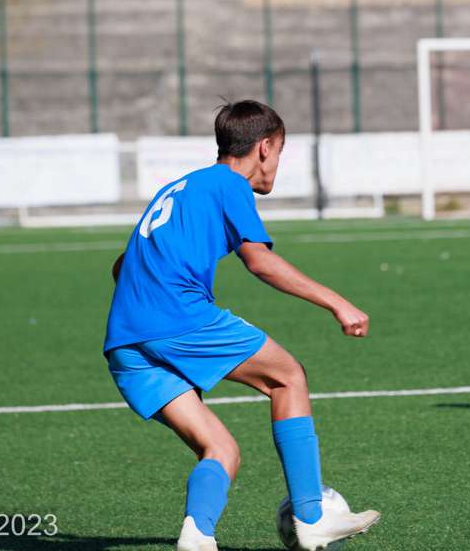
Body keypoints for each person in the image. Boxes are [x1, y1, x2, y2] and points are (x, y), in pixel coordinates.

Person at [104, 100, 380, 551]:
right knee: (288, 377)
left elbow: (122, 265)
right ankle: (312, 518)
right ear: (265, 147)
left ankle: (197, 537)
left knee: (221, 450)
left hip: (125, 342)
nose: (277, 165)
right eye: (280, 152)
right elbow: (259, 261)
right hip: (180, 319)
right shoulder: (230, 183)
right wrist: (338, 303)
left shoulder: (178, 188)